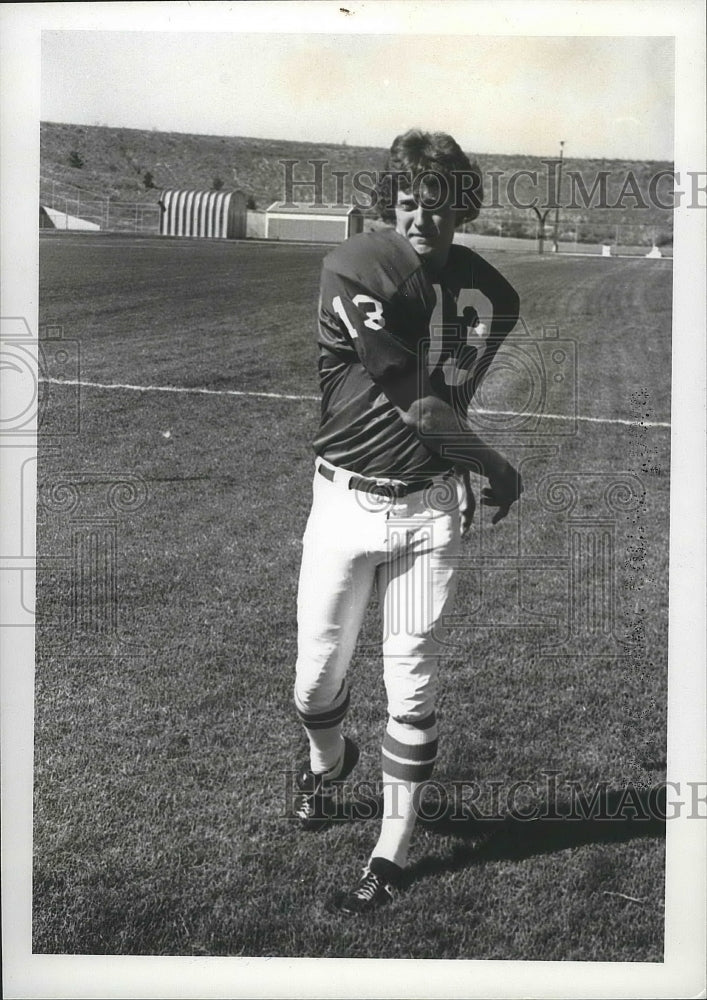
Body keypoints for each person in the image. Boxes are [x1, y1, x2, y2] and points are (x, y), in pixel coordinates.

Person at [292, 129, 522, 914]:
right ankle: (328, 763)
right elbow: (415, 396)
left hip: (427, 510)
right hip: (345, 501)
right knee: (314, 684)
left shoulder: (486, 290)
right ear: (388, 206)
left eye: (438, 205)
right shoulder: (353, 266)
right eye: (407, 203)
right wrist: (494, 465)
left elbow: (446, 399)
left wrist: (458, 462)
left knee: (409, 674)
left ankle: (389, 851)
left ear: (460, 209)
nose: (422, 218)